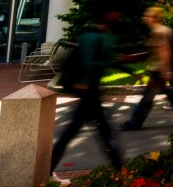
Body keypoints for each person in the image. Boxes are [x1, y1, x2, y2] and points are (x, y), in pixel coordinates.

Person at [50, 10, 136, 183]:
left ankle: (121, 169)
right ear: (106, 19)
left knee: (93, 131)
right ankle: (121, 171)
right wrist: (115, 63)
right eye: (114, 16)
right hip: (88, 89)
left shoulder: (101, 35)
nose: (117, 18)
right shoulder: (94, 37)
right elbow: (90, 63)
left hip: (90, 90)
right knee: (99, 132)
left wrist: (130, 71)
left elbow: (108, 59)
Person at [121, 6, 173, 131]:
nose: (145, 17)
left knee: (149, 98)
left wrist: (166, 71)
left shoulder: (159, 32)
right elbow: (154, 52)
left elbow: (164, 52)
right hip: (161, 69)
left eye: (148, 15)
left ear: (155, 18)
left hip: (160, 70)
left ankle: (135, 122)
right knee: (172, 95)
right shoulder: (162, 30)